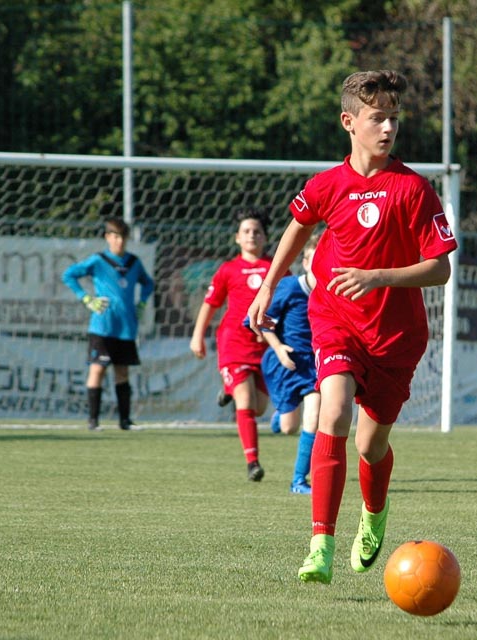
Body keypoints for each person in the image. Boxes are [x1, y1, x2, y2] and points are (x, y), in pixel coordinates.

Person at [247, 70, 458, 584]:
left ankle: (375, 513)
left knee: (369, 446)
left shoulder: (414, 189)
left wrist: (377, 276)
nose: (388, 128)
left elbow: (441, 269)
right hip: (336, 319)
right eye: (377, 118)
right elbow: (298, 228)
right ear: (349, 122)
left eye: (394, 119)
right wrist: (268, 285)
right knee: (334, 410)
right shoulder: (326, 185)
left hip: (396, 337)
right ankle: (320, 545)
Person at [190, 208, 282, 481]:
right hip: (234, 342)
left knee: (259, 408)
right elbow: (211, 304)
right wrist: (197, 335)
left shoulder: (276, 268)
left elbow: (284, 306)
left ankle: (228, 389)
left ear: (265, 237)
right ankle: (253, 462)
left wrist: (274, 331)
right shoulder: (228, 269)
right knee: (246, 400)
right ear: (237, 238)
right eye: (246, 231)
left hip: (263, 346)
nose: (252, 235)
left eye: (257, 231)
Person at [244, 234, 321, 495]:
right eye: (313, 260)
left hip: (315, 366)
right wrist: (278, 348)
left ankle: (299, 480)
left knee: (314, 416)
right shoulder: (289, 287)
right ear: (305, 262)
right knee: (289, 427)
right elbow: (258, 320)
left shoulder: (333, 293)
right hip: (286, 364)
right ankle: (279, 418)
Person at [62, 217, 155, 431]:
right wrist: (87, 299)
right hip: (102, 326)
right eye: (115, 237)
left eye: (123, 237)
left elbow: (148, 284)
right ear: (107, 237)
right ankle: (93, 421)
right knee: (98, 369)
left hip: (126, 327)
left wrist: (141, 303)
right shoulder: (99, 260)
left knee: (122, 372)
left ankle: (125, 421)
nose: (119, 241)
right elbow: (69, 275)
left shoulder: (133, 262)